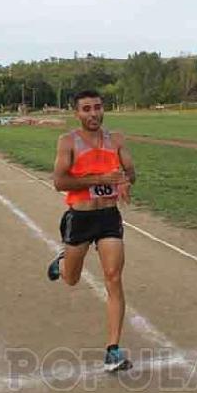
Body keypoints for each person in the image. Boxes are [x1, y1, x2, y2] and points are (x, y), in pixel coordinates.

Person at [45, 89, 137, 372]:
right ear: (77, 113)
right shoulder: (68, 141)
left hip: (108, 217)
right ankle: (62, 263)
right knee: (71, 279)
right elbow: (59, 182)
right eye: (86, 109)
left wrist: (124, 181)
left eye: (97, 107)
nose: (93, 113)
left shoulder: (116, 139)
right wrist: (100, 178)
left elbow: (131, 172)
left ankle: (113, 350)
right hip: (80, 218)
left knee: (113, 277)